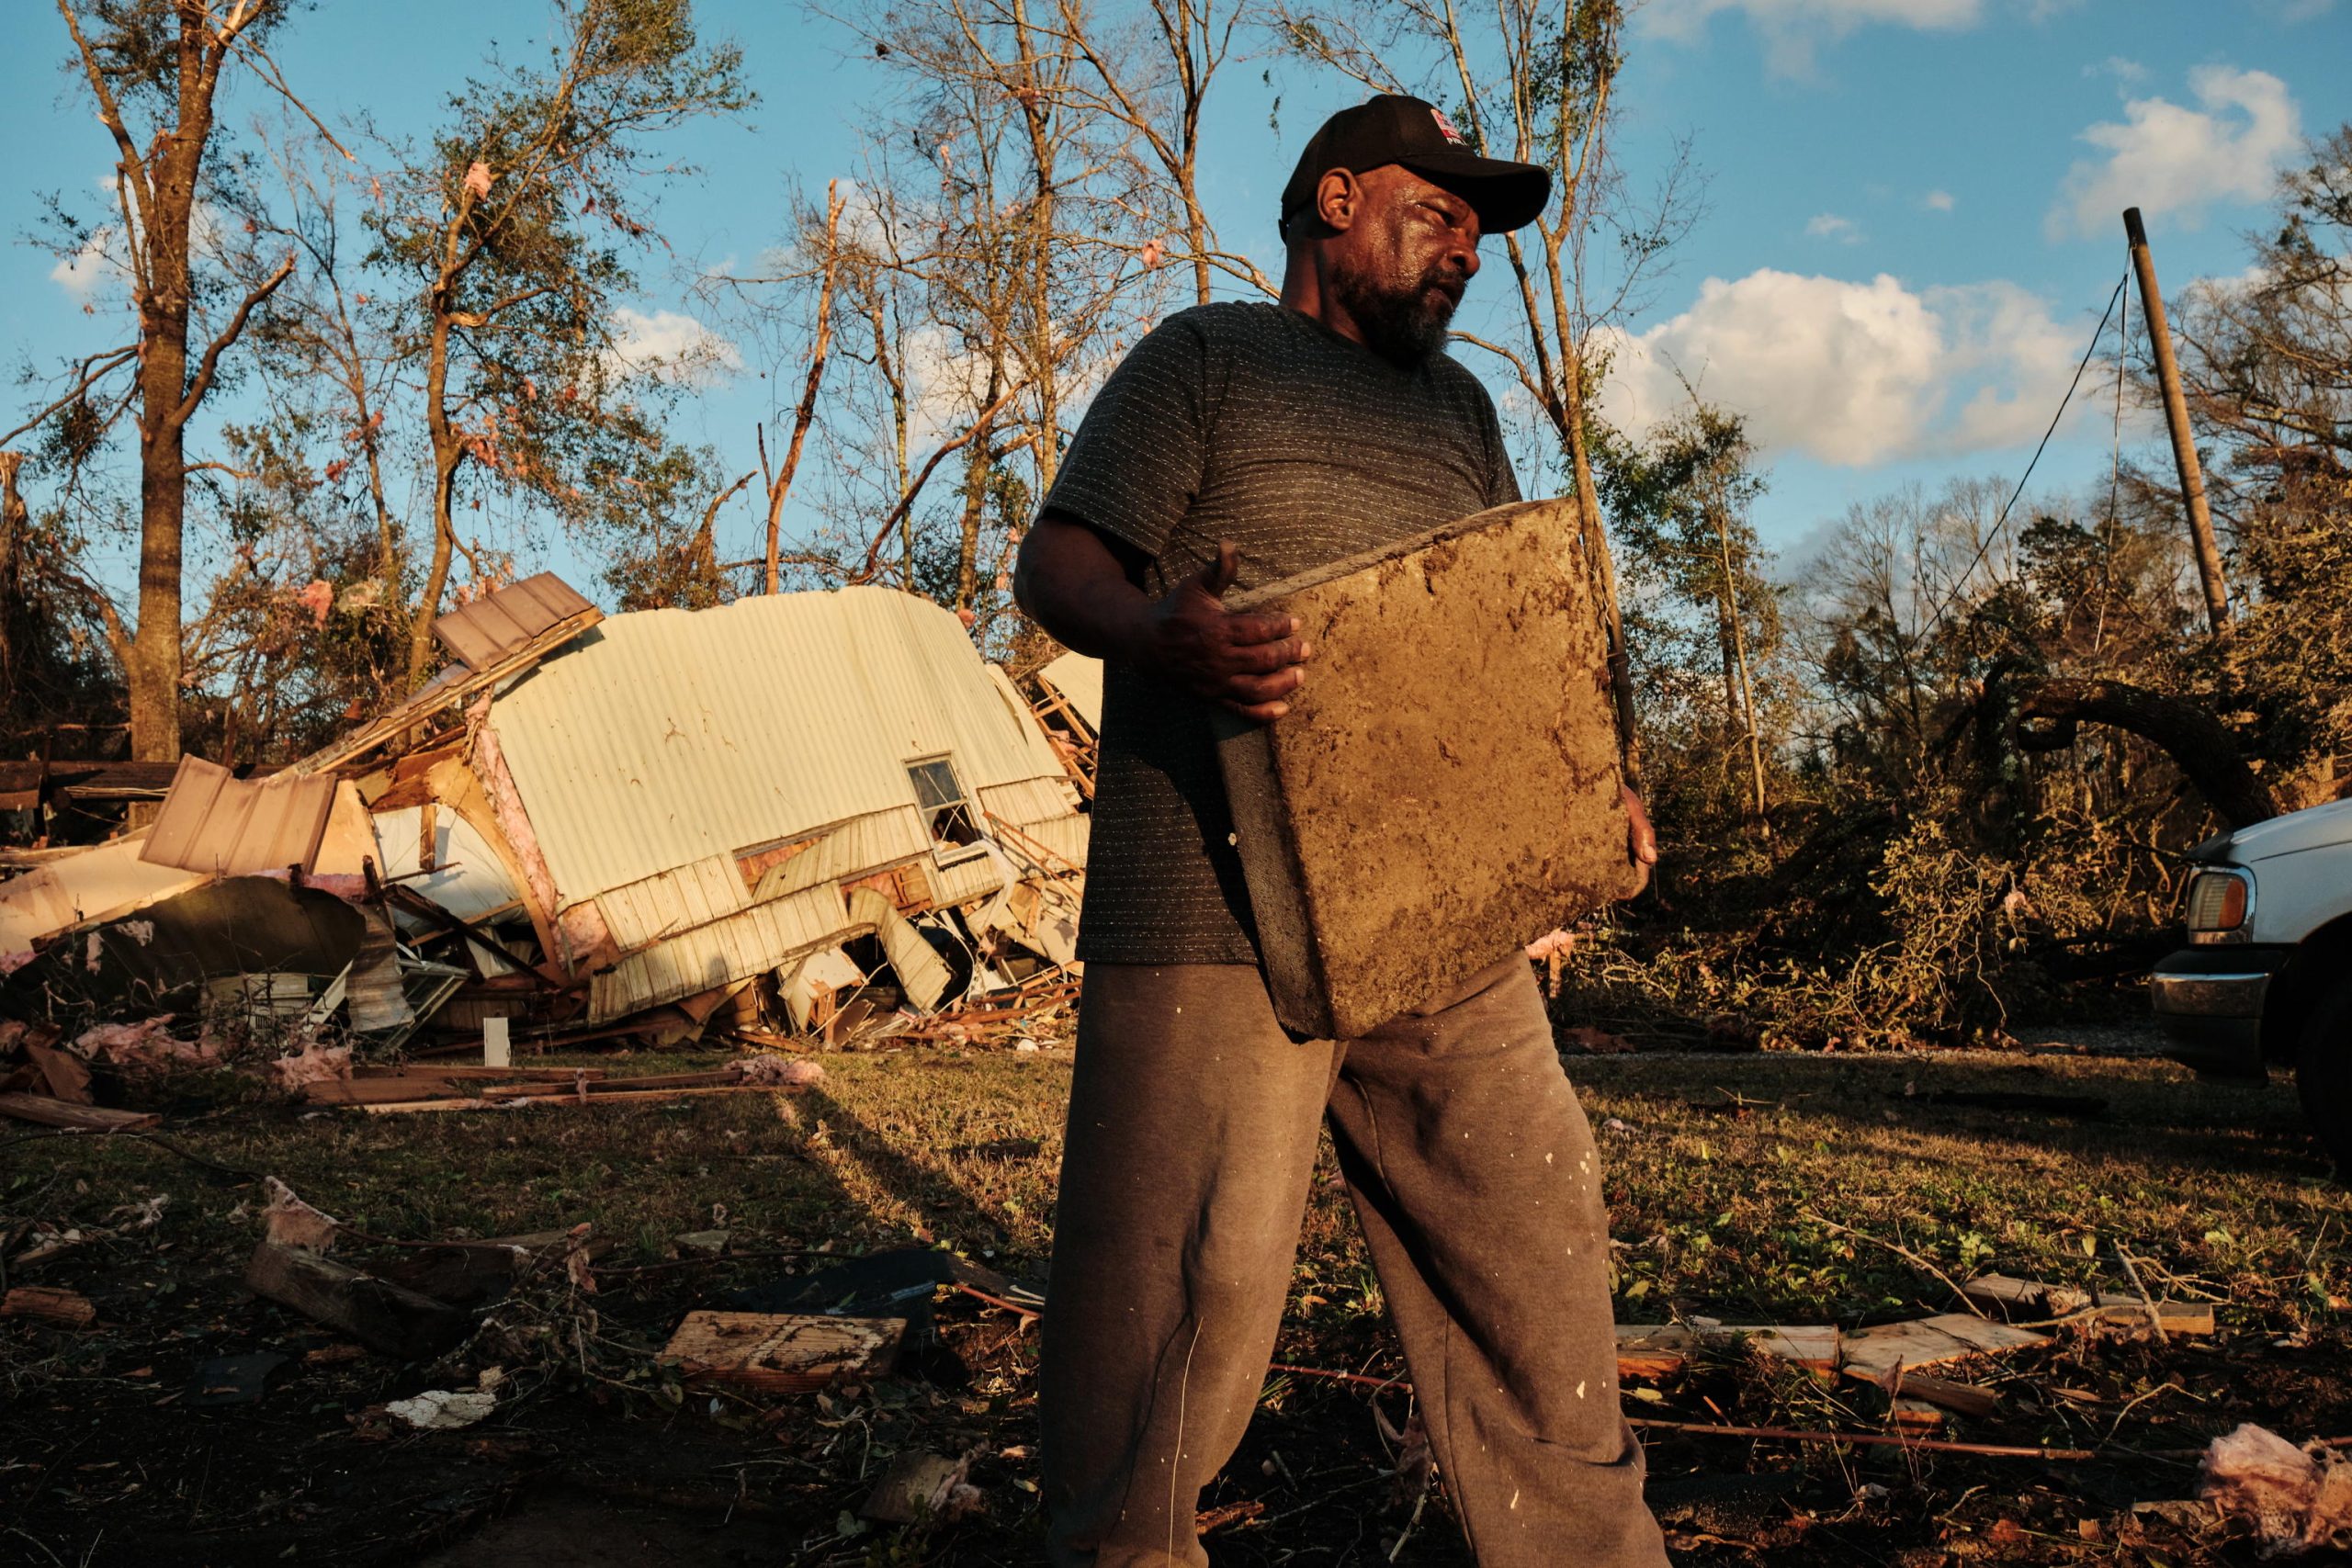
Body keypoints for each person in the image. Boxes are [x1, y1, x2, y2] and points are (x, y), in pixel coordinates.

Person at [1012, 94, 1670, 1568]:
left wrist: (1591, 781)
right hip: (1211, 912)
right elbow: (1056, 560)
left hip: (1438, 917)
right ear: (1333, 201)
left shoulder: (1465, 413)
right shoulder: (1205, 361)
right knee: (1181, 1309)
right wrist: (1156, 633)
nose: (1468, 252)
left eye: (1479, 232)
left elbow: (1512, 627)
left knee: (1537, 1242)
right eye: (1437, 214)